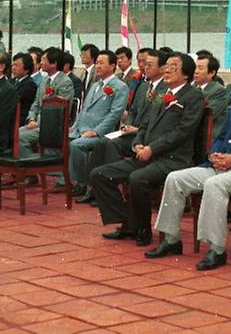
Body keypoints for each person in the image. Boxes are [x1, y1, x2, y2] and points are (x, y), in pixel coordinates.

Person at [144, 54, 231, 271]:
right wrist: (214, 154)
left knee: (214, 185)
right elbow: (222, 135)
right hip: (220, 164)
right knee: (175, 178)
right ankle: (171, 239)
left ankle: (216, 249)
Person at [92, 53, 205, 246]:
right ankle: (128, 222)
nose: (167, 70)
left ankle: (142, 228)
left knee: (138, 178)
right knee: (100, 174)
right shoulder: (161, 95)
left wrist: (152, 149)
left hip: (173, 158)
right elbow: (145, 125)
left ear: (186, 74)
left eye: (174, 67)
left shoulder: (193, 96)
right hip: (147, 154)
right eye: (167, 66)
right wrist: (138, 143)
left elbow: (183, 132)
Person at [77, 49, 167, 205]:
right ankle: (93, 189)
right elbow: (133, 110)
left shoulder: (165, 90)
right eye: (144, 64)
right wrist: (129, 124)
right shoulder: (145, 87)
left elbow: (158, 120)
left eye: (149, 64)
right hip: (133, 130)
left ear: (162, 68)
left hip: (145, 135)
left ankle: (110, 189)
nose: (145, 67)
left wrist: (137, 129)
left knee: (113, 144)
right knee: (102, 142)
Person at [68, 50, 128, 196]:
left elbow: (115, 114)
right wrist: (74, 127)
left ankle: (82, 182)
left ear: (113, 65)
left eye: (102, 63)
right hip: (82, 129)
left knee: (77, 145)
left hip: (102, 133)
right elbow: (83, 110)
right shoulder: (95, 85)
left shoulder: (120, 87)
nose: (98, 66)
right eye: (97, 63)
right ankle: (67, 178)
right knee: (66, 138)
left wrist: (96, 131)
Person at [17, 47, 75, 157]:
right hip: (37, 123)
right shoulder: (45, 81)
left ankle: (31, 167)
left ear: (53, 63)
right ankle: (27, 166)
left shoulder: (65, 83)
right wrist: (31, 118)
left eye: (44, 59)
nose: (41, 62)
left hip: (52, 126)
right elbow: (36, 104)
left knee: (21, 137)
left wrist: (38, 123)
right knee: (16, 132)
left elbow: (61, 112)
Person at [194, 53, 227, 139]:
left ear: (212, 73)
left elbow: (205, 116)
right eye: (195, 67)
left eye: (200, 68)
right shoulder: (192, 88)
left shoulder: (218, 91)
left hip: (208, 137)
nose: (196, 71)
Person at [11, 52, 37, 124]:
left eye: (17, 65)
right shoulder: (11, 81)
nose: (13, 68)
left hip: (19, 120)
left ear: (26, 69)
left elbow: (12, 99)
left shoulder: (29, 85)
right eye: (13, 65)